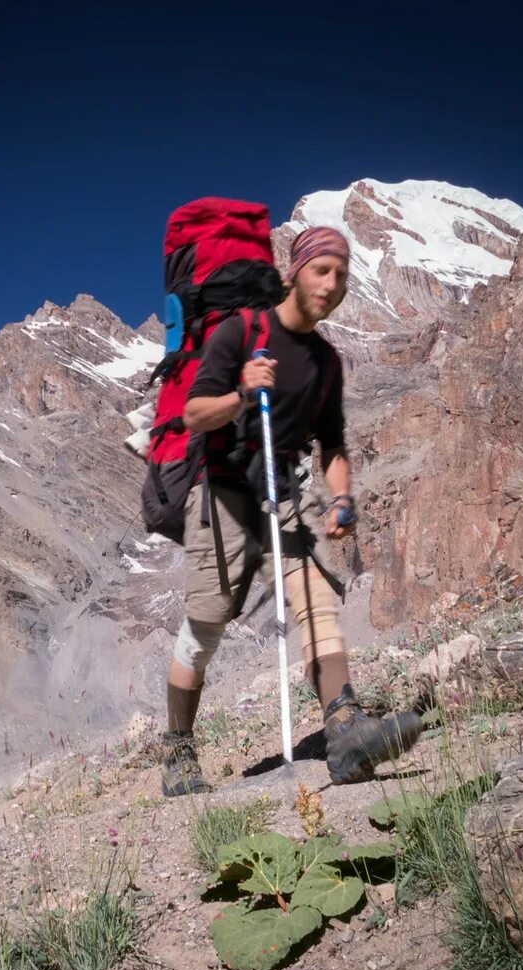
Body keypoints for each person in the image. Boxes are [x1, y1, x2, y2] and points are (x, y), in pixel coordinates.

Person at [159, 226, 423, 796]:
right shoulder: (241, 333)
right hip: (224, 490)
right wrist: (239, 392)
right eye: (321, 270)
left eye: (341, 274)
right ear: (294, 272)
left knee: (317, 600)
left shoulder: (325, 362)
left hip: (287, 485)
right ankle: (178, 752)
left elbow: (332, 444)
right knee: (205, 628)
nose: (331, 284)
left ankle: (346, 729)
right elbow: (195, 414)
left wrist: (344, 498)